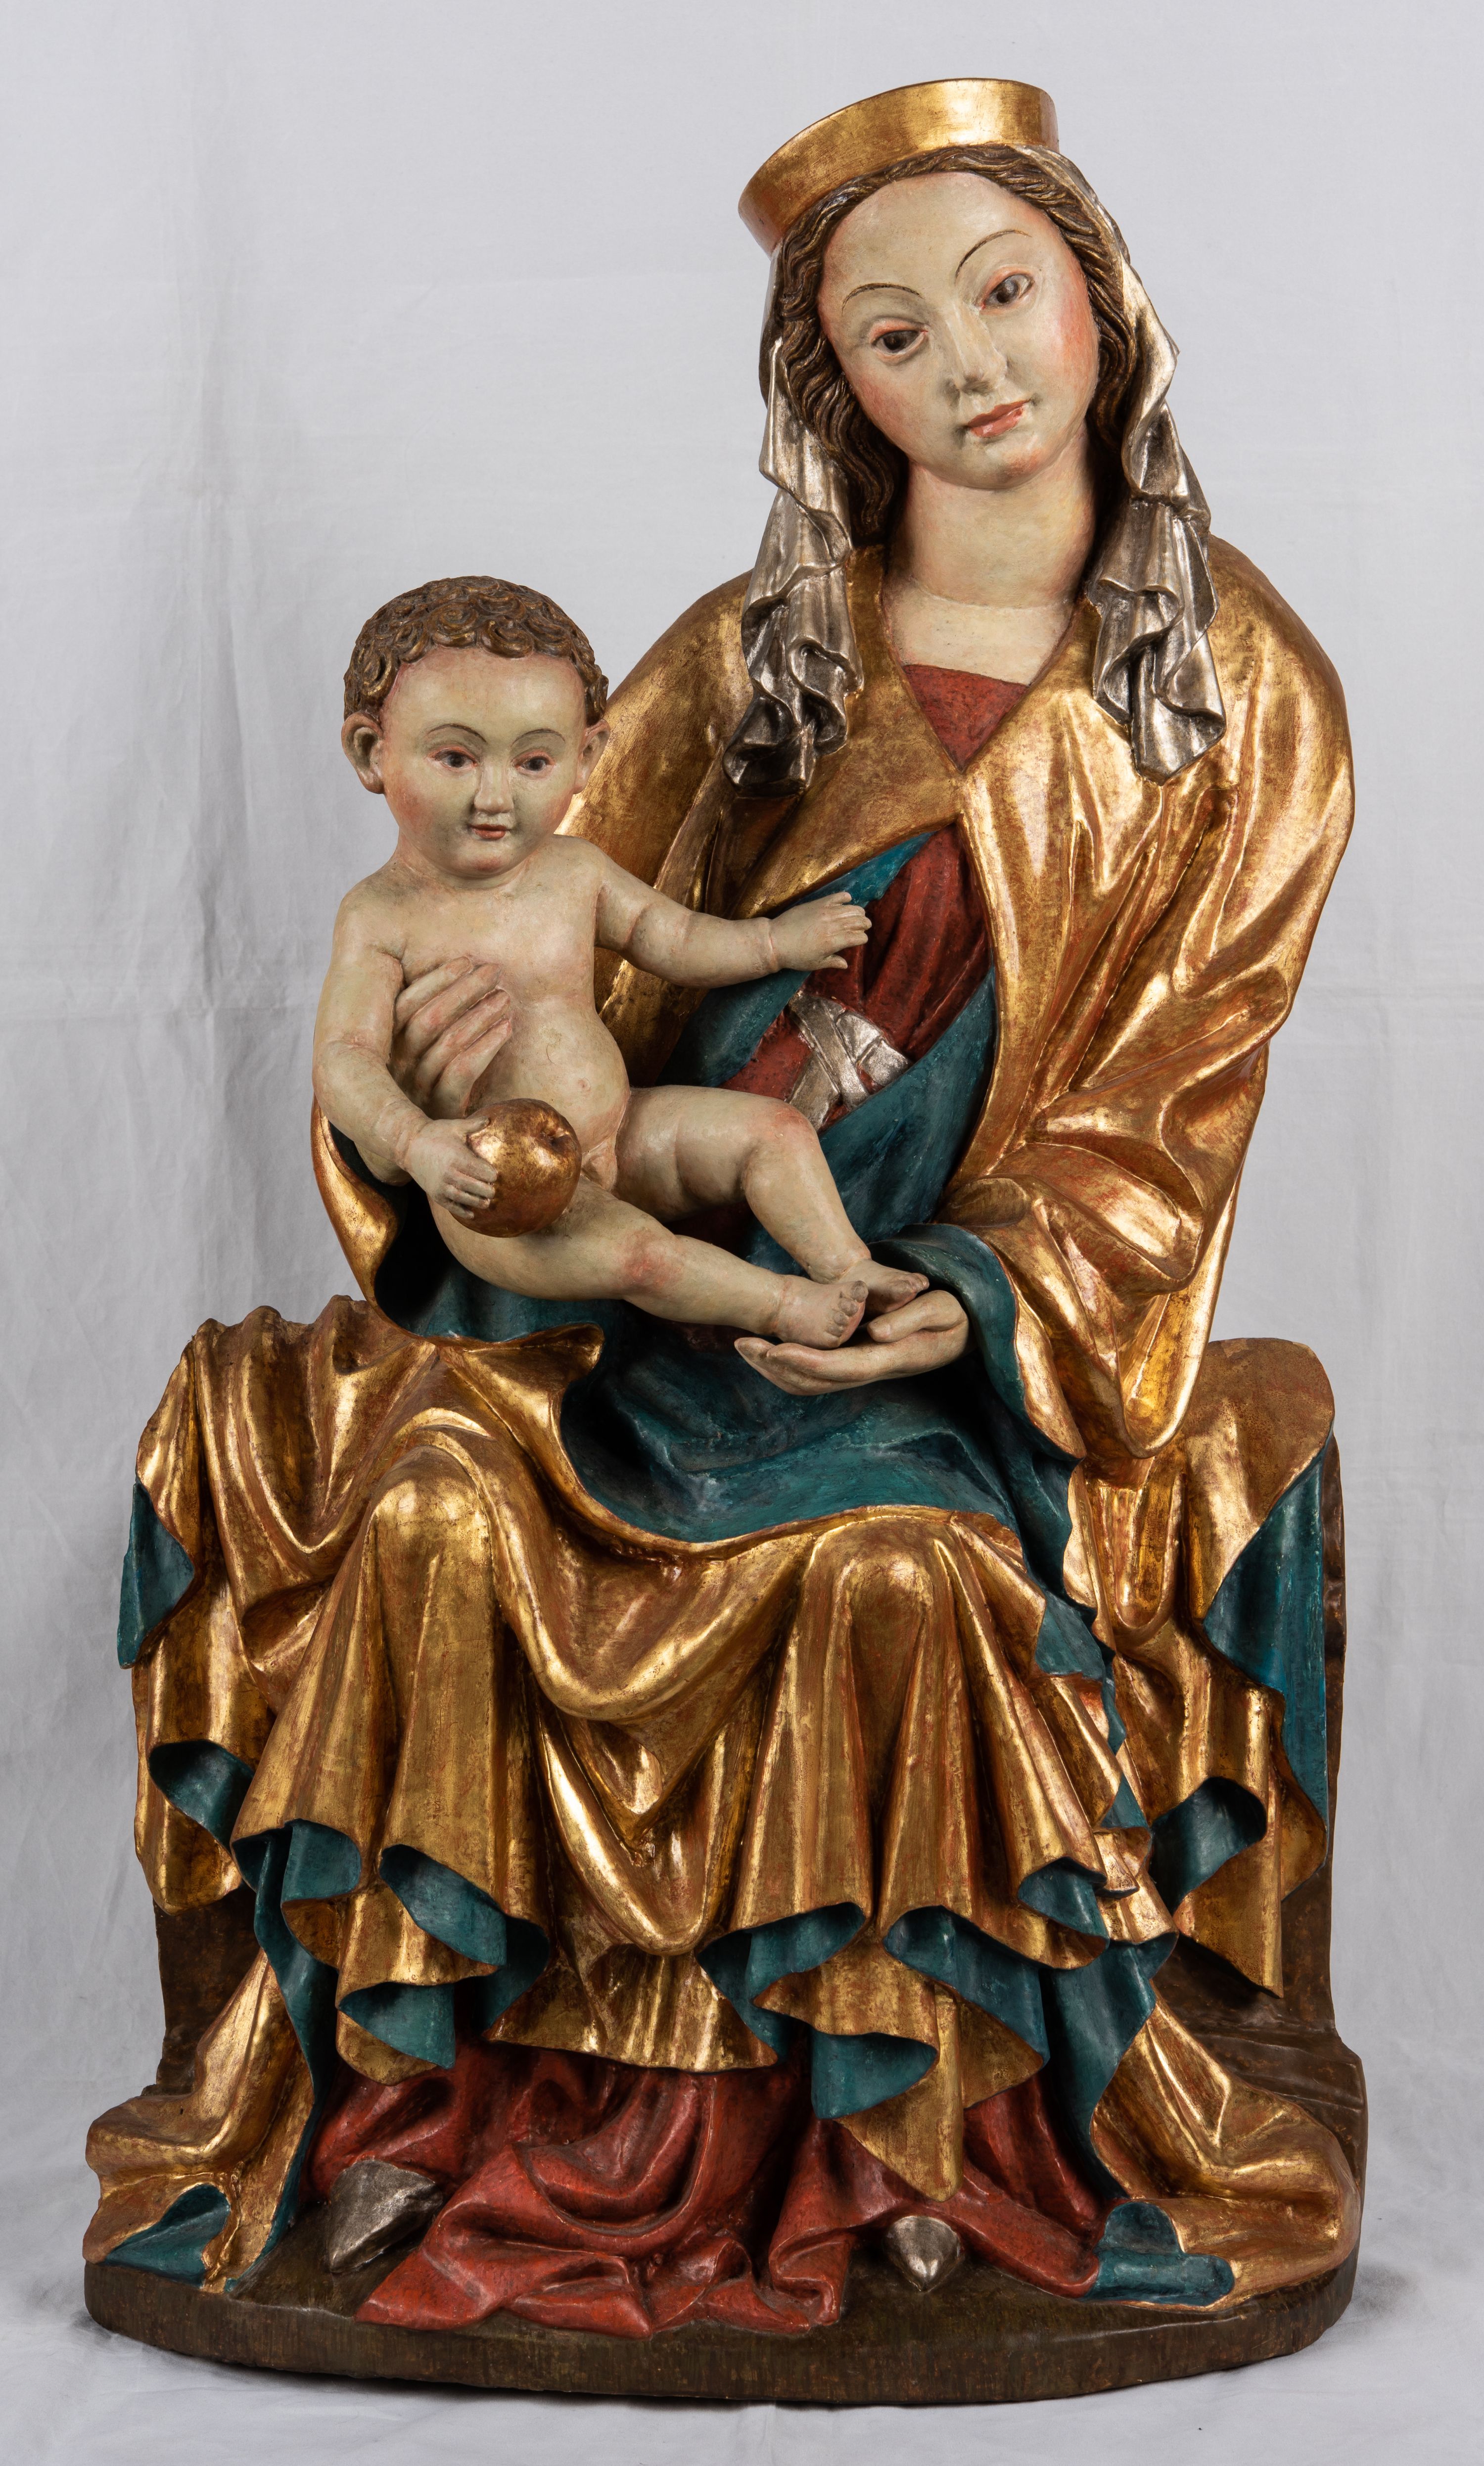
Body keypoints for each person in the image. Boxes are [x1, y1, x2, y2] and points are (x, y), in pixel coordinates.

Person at [88, 80, 1361, 2347]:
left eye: (1005, 293)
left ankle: (910, 2139)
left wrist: (977, 1291)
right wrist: (474, 1117)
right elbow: (526, 949)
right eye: (894, 334)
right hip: (621, 1295)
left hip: (919, 1343)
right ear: (834, 384)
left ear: (1100, 296)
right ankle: (401, 2103)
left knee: (903, 1580)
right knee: (434, 1509)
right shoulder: (758, 649)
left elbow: (1184, 1083)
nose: (970, 366)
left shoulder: (1235, 697)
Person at [316, 574, 926, 1350]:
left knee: (772, 1130)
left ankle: (849, 1264)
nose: (494, 797)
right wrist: (413, 1142)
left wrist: (774, 942)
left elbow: (671, 938)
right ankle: (783, 1307)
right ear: (373, 753)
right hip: (501, 1192)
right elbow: (344, 1057)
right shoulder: (380, 915)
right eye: (456, 758)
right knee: (643, 1256)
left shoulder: (573, 871)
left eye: (534, 762)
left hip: (625, 1127)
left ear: (587, 758)